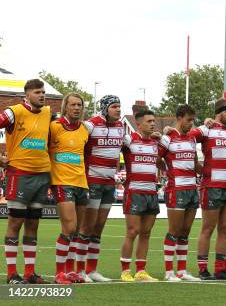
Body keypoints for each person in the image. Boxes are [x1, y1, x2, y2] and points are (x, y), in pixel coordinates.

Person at [0, 79, 51, 284]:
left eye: (44, 92)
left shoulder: (48, 113)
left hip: (42, 175)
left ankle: (30, 272)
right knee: (16, 222)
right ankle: (12, 274)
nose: (42, 95)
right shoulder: (14, 111)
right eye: (38, 92)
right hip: (19, 174)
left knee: (33, 223)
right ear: (27, 94)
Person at [191, 99, 226, 280]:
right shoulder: (207, 129)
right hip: (212, 186)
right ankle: (203, 270)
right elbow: (186, 136)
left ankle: (221, 269)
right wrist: (197, 165)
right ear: (219, 113)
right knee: (208, 228)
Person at [79, 95, 125, 282]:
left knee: (99, 227)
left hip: (108, 183)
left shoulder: (121, 127)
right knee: (87, 227)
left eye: (119, 106)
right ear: (105, 108)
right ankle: (80, 270)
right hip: (92, 180)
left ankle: (92, 270)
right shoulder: (90, 125)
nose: (118, 110)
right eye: (114, 106)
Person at [50, 93, 90, 284]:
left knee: (77, 231)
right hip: (62, 182)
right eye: (73, 105)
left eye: (79, 105)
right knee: (69, 227)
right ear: (65, 107)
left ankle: (70, 271)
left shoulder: (84, 129)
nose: (76, 108)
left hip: (81, 183)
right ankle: (59, 273)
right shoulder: (54, 127)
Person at [158, 104, 200, 281]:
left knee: (185, 231)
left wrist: (208, 172)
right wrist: (168, 171)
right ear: (179, 118)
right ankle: (169, 272)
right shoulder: (168, 138)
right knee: (174, 231)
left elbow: (195, 162)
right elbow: (156, 159)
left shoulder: (192, 139)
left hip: (192, 188)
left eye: (193, 120)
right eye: (188, 120)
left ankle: (182, 271)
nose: (191, 124)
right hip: (176, 189)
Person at [119, 109, 160, 282]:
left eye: (153, 121)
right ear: (138, 124)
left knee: (146, 233)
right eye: (149, 121)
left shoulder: (156, 142)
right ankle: (125, 271)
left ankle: (141, 271)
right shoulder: (129, 140)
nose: (152, 124)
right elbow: (115, 142)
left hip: (151, 192)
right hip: (134, 191)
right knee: (132, 231)